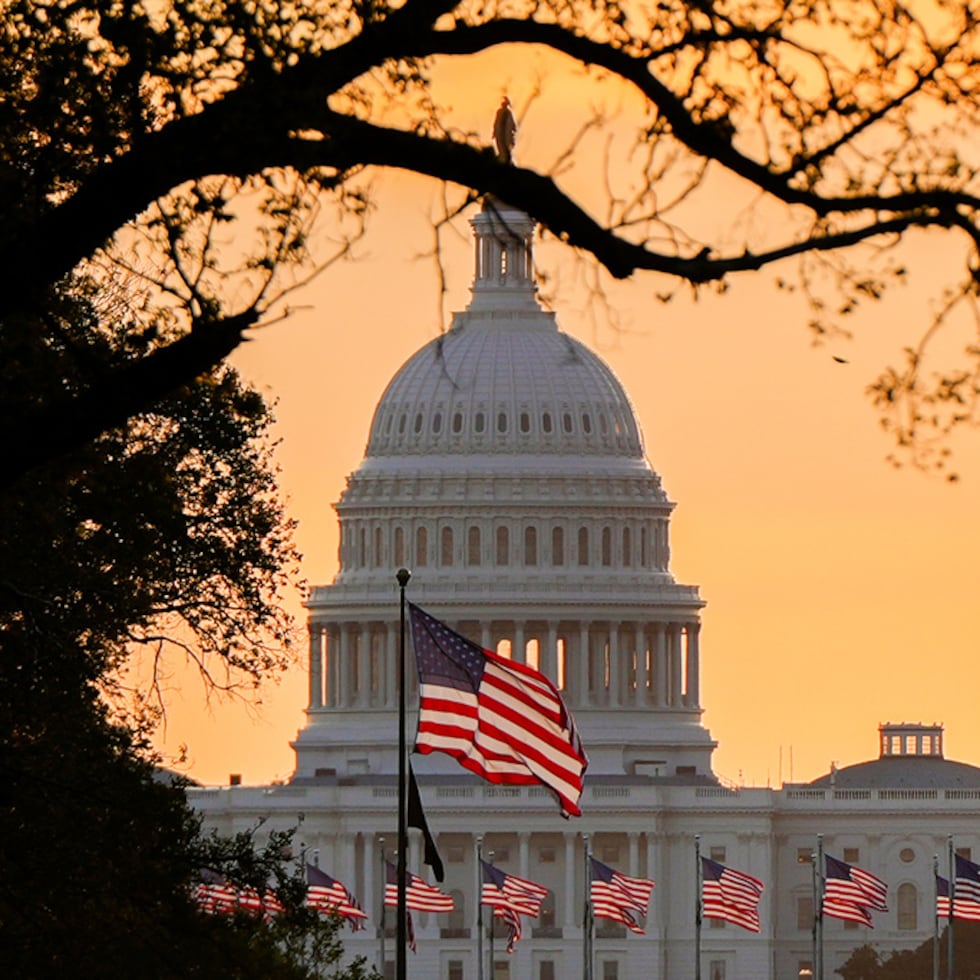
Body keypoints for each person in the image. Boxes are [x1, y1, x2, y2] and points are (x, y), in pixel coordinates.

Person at [493, 96, 517, 164]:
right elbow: (496, 122)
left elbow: (512, 124)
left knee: (506, 147)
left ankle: (507, 161)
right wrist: (494, 131)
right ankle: (502, 160)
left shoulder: (508, 113)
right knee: (501, 146)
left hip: (506, 133)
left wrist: (513, 130)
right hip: (500, 132)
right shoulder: (499, 112)